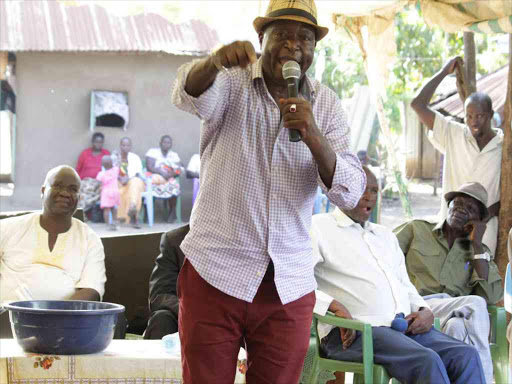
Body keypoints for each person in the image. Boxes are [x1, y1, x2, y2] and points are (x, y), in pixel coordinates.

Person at [170, 0, 366, 381]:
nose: (294, 46)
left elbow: (351, 191)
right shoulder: (230, 80)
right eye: (283, 35)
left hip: (287, 284)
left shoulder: (324, 104)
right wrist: (213, 62)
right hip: (216, 271)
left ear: (313, 50)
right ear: (262, 38)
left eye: (305, 39)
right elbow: (186, 93)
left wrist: (314, 136)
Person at [311, 167, 485, 384]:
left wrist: (424, 310)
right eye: (362, 189)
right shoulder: (319, 227)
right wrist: (334, 305)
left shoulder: (384, 235)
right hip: (354, 332)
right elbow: (296, 282)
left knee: (465, 355)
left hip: (402, 329)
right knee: (426, 361)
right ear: (341, 190)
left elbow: (405, 284)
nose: (369, 196)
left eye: (374, 190)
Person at [394, 182, 503, 384]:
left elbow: (493, 296)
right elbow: (381, 254)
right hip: (416, 306)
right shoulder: (417, 229)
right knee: (475, 304)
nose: (461, 209)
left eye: (470, 209)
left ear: (478, 221)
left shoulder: (480, 252)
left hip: (449, 314)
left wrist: (477, 245)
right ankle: (485, 378)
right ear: (449, 205)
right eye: (458, 203)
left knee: (457, 325)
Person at [0, 165, 106, 337]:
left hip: (64, 326)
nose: (65, 193)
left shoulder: (89, 239)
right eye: (57, 186)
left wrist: (51, 316)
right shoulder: (9, 228)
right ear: (43, 191)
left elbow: (91, 290)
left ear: (79, 198)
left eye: (72, 189)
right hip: (8, 319)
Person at [411, 57, 503, 255]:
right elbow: (417, 104)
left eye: (479, 116)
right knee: (446, 281)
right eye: (469, 116)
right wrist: (444, 71)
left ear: (490, 114)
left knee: (479, 280)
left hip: (484, 234)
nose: (473, 122)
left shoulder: (504, 146)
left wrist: (486, 217)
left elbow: (506, 193)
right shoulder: (454, 133)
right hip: (450, 230)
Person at [144, 225, 189, 339]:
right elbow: (160, 295)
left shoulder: (239, 239)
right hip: (188, 315)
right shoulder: (175, 240)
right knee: (161, 318)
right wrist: (192, 311)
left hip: (230, 313)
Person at [145, 135, 183, 223]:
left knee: (174, 186)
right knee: (150, 186)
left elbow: (180, 168)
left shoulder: (173, 155)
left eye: (168, 142)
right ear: (160, 143)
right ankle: (147, 213)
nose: (166, 144)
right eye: (164, 142)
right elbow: (149, 167)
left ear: (171, 145)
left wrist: (170, 174)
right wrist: (162, 173)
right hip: (155, 177)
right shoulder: (153, 152)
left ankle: (172, 211)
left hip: (169, 178)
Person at [111, 137, 145, 229]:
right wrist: (120, 178)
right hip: (119, 181)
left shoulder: (135, 158)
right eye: (123, 145)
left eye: (128, 145)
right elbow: (111, 171)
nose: (125, 147)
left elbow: (137, 173)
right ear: (120, 146)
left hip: (132, 181)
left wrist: (127, 178)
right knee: (116, 187)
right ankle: (128, 217)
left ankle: (133, 207)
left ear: (130, 147)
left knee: (135, 183)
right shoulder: (114, 157)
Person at [76, 132, 110, 217]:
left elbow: (110, 170)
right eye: (96, 142)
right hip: (85, 181)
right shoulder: (85, 153)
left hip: (99, 182)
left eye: (101, 142)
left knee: (92, 192)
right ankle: (80, 213)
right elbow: (78, 170)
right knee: (83, 192)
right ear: (92, 142)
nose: (98, 144)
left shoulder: (106, 154)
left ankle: (80, 213)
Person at [96, 155, 120, 231]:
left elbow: (99, 183)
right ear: (112, 163)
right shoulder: (115, 170)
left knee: (106, 210)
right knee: (114, 208)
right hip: (115, 192)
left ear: (102, 165)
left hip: (106, 193)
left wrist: (99, 190)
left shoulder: (101, 174)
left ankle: (107, 225)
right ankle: (115, 222)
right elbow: (119, 164)